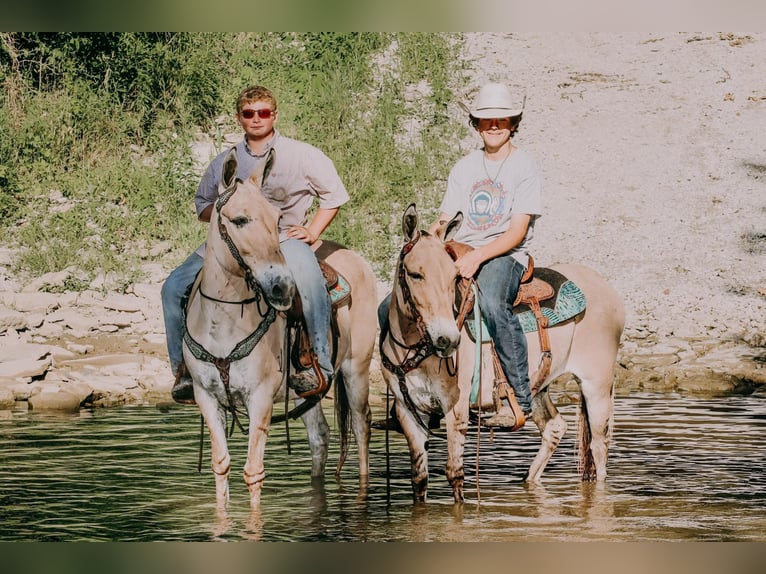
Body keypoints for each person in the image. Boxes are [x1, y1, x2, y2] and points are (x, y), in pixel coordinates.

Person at [161, 85, 348, 404]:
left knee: (308, 282)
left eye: (263, 113)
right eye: (249, 114)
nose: (256, 119)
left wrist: (313, 232)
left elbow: (334, 196)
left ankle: (318, 362)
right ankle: (184, 371)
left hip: (283, 236)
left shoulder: (302, 155)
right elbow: (202, 204)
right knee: (172, 287)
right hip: (231, 240)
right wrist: (224, 213)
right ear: (239, 118)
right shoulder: (224, 162)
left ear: (274, 115)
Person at [432, 81, 543, 425]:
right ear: (476, 124)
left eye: (501, 119)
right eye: (485, 120)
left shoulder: (524, 167)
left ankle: (519, 399)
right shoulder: (463, 168)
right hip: (460, 248)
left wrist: (478, 257)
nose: (493, 126)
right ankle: (418, 395)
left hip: (504, 254)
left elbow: (517, 231)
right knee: (406, 300)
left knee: (494, 303)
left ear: (512, 122)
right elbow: (445, 216)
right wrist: (434, 236)